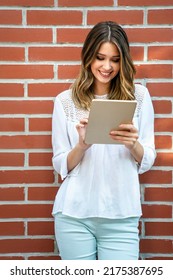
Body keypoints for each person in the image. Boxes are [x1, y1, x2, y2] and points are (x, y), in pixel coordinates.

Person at [52, 21, 156, 260]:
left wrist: (132, 144)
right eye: (100, 57)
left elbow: (148, 158)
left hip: (121, 215)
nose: (107, 66)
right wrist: (82, 145)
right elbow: (60, 164)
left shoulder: (138, 96)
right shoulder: (65, 101)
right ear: (88, 56)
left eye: (115, 59)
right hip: (73, 215)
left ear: (123, 61)